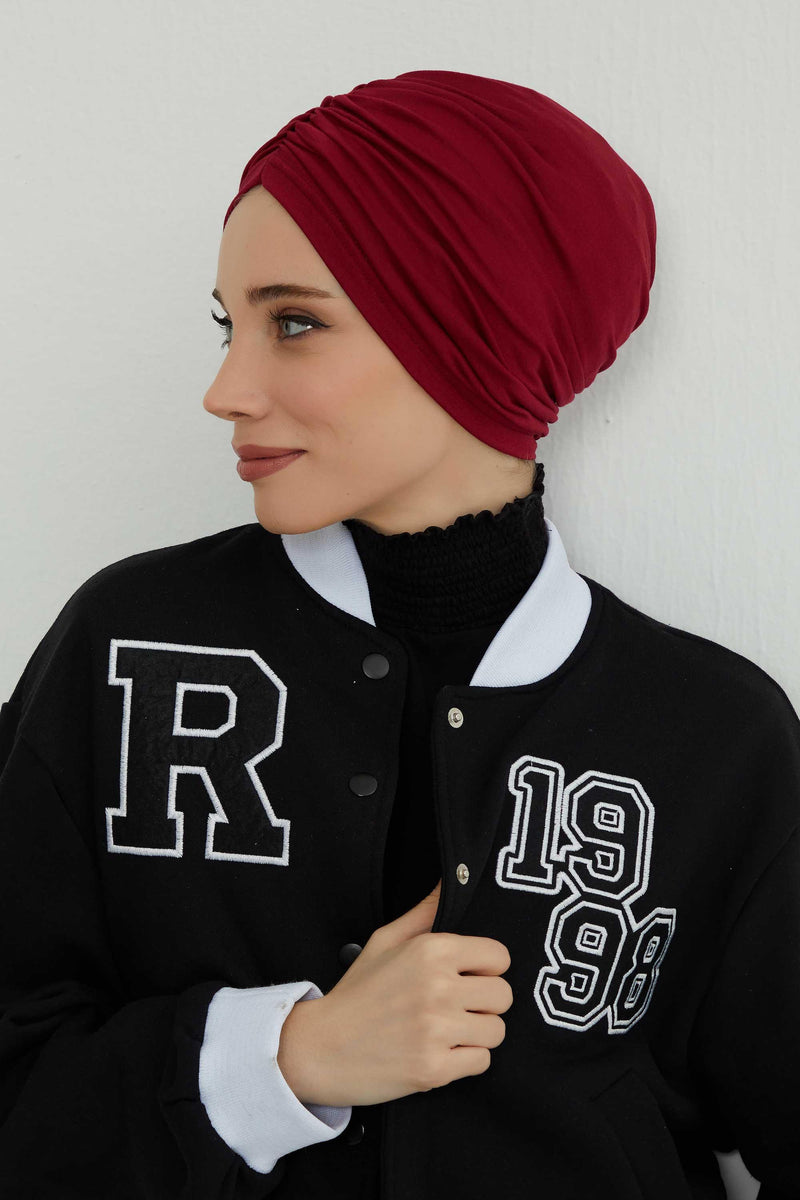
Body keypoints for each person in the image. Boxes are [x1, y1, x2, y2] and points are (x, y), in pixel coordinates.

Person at [1, 69, 798, 1200]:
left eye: (293, 323)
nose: (226, 389)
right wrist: (286, 1062)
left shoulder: (714, 733)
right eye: (230, 325)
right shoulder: (125, 647)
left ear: (474, 328)